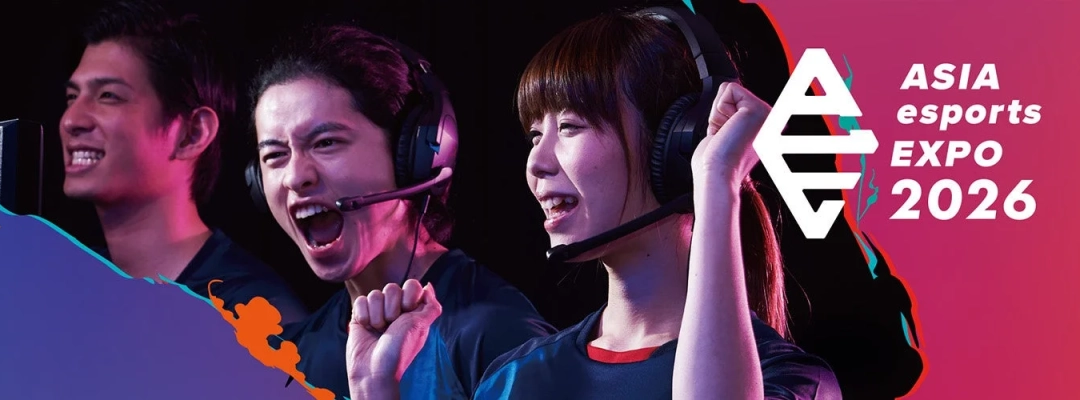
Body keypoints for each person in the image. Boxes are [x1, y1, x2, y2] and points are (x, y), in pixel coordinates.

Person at [350, 6, 842, 400]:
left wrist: (716, 181)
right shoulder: (513, 380)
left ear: (674, 148)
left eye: (569, 127)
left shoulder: (790, 381)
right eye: (535, 134)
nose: (537, 162)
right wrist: (378, 392)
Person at [248, 24, 556, 400]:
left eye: (326, 143)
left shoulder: (497, 336)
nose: (295, 177)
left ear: (413, 155)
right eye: (274, 156)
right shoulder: (292, 360)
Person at [59, 0, 307, 320]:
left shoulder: (253, 316)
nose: (71, 120)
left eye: (108, 96)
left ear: (193, 133)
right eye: (72, 97)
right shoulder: (64, 287)